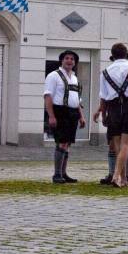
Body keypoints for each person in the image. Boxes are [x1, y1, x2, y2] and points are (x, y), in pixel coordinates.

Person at [97, 43, 128, 188]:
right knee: (126, 145)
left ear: (112, 55)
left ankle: (123, 178)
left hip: (113, 108)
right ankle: (117, 176)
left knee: (117, 145)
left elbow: (103, 97)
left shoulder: (105, 72)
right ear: (126, 54)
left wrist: (103, 114)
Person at [44, 50, 86, 184]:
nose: (69, 61)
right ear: (61, 61)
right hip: (60, 111)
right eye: (67, 58)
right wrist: (51, 116)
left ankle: (64, 173)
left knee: (67, 144)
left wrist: (81, 116)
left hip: (73, 112)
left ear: (75, 63)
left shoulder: (74, 78)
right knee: (61, 142)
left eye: (72, 59)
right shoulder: (53, 76)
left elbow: (77, 100)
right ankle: (56, 174)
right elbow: (48, 96)